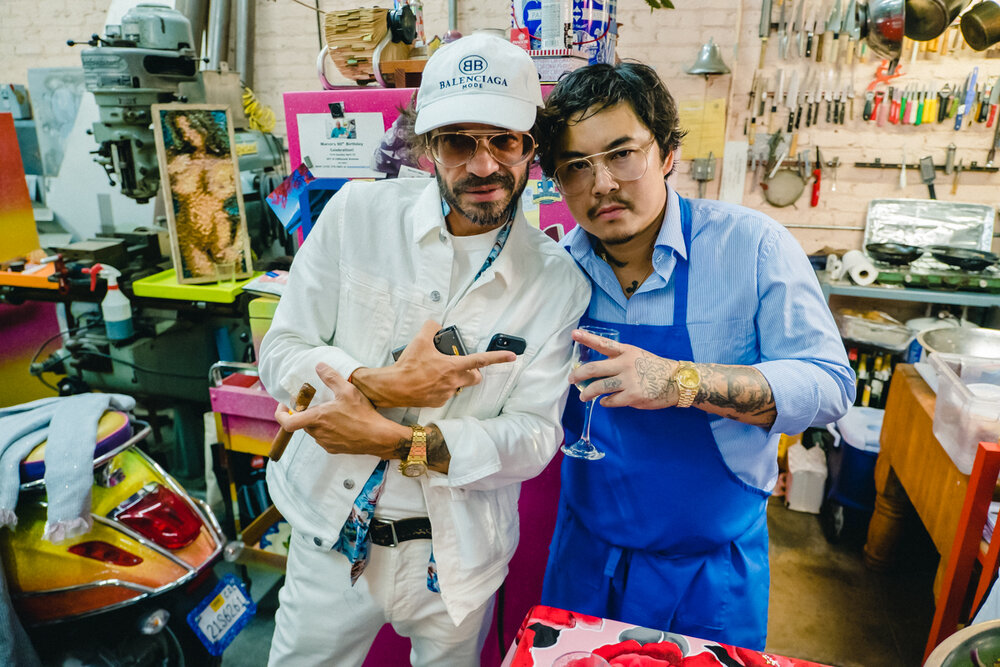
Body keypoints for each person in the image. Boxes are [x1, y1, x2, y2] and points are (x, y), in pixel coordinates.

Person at [258, 33, 590, 667]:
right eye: (459, 141)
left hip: (455, 557)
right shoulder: (359, 215)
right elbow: (281, 349)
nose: (485, 165)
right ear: (427, 146)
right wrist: (381, 383)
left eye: (504, 140)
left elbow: (532, 438)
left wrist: (399, 440)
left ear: (532, 146)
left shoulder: (555, 281)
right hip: (330, 534)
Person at [535, 62, 855, 650]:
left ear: (666, 153)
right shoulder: (553, 268)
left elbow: (830, 385)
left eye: (622, 153)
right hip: (583, 561)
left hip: (708, 576)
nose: (601, 183)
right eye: (576, 166)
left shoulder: (753, 248)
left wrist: (680, 380)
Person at [162, 109, 249, 280]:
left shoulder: (225, 160)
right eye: (181, 131)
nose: (187, 136)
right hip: (189, 235)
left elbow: (241, 212)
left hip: (221, 233)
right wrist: (170, 170)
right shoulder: (177, 160)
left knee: (230, 281)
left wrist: (237, 246)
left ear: (203, 126)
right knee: (203, 283)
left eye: (190, 129)